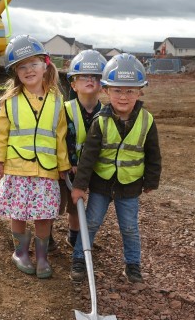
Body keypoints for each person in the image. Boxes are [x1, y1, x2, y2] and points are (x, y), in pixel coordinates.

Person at [69, 53, 162, 284]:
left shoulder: (147, 121)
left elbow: (153, 154)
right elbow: (88, 156)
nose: (123, 96)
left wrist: (151, 181)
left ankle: (133, 265)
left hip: (129, 186)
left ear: (140, 92)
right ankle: (79, 259)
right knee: (90, 223)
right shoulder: (101, 121)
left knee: (129, 228)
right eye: (117, 90)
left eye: (130, 91)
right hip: (101, 184)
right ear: (106, 91)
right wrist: (80, 186)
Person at [0, 35, 71, 279]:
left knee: (44, 214)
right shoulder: (10, 101)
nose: (28, 70)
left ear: (46, 65)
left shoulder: (57, 100)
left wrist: (63, 166)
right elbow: (1, 133)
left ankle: (43, 257)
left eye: (33, 64)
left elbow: (60, 136)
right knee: (19, 212)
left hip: (46, 170)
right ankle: (21, 253)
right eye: (22, 66)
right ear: (15, 72)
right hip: (17, 168)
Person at [55, 49, 108, 251]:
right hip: (65, 167)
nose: (90, 80)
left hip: (90, 170)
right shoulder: (65, 109)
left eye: (95, 77)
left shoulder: (105, 113)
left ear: (102, 84)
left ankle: (75, 236)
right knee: (57, 204)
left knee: (78, 206)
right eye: (84, 76)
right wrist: (69, 163)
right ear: (73, 84)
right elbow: (60, 139)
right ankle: (47, 236)